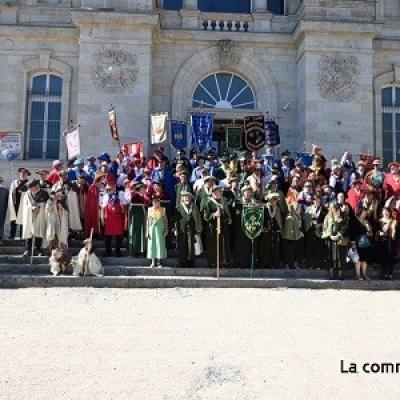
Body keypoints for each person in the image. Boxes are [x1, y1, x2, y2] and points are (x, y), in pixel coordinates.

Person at [203, 186, 232, 268]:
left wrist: (228, 218)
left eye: (219, 191)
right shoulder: (208, 203)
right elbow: (206, 216)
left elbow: (226, 212)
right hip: (213, 227)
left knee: (223, 244)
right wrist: (214, 215)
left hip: (223, 226)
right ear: (213, 193)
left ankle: (223, 261)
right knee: (213, 245)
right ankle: (213, 262)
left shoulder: (223, 202)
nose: (218, 193)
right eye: (216, 192)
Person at [21, 179, 50, 257]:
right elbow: (25, 205)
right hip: (30, 215)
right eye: (29, 188)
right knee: (29, 232)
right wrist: (31, 208)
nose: (29, 189)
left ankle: (38, 249)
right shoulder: (28, 194)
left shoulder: (44, 193)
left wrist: (40, 207)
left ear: (36, 186)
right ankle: (27, 249)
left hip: (40, 215)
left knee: (38, 232)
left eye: (31, 187)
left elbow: (48, 204)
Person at [174, 191, 202, 268]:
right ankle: (182, 262)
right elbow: (175, 220)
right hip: (181, 230)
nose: (186, 199)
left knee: (190, 246)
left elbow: (198, 219)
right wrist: (175, 229)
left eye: (188, 197)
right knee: (182, 245)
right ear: (182, 199)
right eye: (185, 197)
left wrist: (198, 229)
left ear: (190, 199)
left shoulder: (194, 207)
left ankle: (190, 262)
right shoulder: (178, 208)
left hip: (191, 230)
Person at [100, 178, 127, 257]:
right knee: (108, 236)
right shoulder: (105, 196)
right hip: (109, 218)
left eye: (111, 187)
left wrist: (122, 204)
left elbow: (125, 203)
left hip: (118, 218)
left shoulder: (121, 194)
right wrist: (102, 218)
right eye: (108, 188)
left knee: (119, 236)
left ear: (115, 186)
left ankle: (117, 251)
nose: (109, 189)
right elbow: (102, 207)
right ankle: (108, 251)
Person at [322, 203, 349, 280]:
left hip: (340, 240)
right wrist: (330, 236)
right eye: (331, 208)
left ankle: (340, 274)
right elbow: (325, 228)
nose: (333, 210)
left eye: (334, 208)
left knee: (340, 257)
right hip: (330, 240)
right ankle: (331, 274)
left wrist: (338, 235)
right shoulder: (327, 217)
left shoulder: (343, 217)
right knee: (331, 256)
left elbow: (345, 227)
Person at [349, 206, 373, 281]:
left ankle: (364, 274)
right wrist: (352, 242)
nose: (365, 213)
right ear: (360, 212)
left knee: (364, 259)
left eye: (366, 212)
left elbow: (371, 233)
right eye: (364, 212)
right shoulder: (354, 220)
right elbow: (351, 231)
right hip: (357, 241)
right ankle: (358, 274)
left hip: (365, 242)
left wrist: (369, 231)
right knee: (358, 259)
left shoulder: (366, 221)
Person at [259, 192, 282, 269]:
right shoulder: (264, 207)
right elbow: (261, 219)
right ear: (269, 200)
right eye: (273, 199)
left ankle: (274, 263)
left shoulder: (277, 208)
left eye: (275, 199)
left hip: (275, 231)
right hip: (266, 231)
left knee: (275, 247)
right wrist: (263, 228)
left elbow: (279, 220)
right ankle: (265, 263)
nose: (274, 201)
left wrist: (279, 228)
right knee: (265, 247)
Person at [304, 196, 327, 269]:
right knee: (310, 248)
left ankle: (318, 265)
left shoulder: (324, 210)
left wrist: (320, 225)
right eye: (316, 200)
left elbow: (326, 220)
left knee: (319, 249)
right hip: (310, 231)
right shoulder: (308, 209)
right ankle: (310, 265)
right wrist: (311, 223)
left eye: (318, 200)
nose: (317, 202)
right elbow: (305, 219)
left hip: (319, 231)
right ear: (313, 201)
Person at [8, 167, 30, 239]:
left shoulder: (29, 183)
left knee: (23, 221)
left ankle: (22, 236)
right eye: (22, 173)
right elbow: (11, 193)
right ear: (19, 174)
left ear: (27, 175)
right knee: (13, 220)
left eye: (25, 173)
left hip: (24, 205)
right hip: (15, 204)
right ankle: (12, 235)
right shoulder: (14, 182)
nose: (23, 174)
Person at [146, 197, 168, 268]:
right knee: (152, 245)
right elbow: (147, 221)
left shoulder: (163, 210)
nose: (156, 203)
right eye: (155, 202)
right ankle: (153, 262)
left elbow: (165, 220)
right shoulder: (149, 210)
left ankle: (158, 262)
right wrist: (147, 231)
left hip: (160, 229)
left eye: (158, 202)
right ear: (152, 202)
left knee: (159, 244)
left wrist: (166, 229)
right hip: (152, 229)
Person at [282, 202, 304, 269]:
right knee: (289, 252)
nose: (299, 210)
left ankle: (294, 264)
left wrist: (300, 233)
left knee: (295, 252)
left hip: (296, 238)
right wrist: (298, 233)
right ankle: (288, 265)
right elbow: (289, 230)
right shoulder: (289, 217)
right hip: (290, 238)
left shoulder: (298, 216)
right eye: (297, 208)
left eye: (299, 208)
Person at [376, 207, 396, 280]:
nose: (385, 213)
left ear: (389, 212)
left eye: (387, 211)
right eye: (384, 211)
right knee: (383, 257)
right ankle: (384, 273)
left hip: (391, 241)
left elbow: (396, 231)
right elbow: (376, 231)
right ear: (382, 213)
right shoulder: (379, 221)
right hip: (382, 241)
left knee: (390, 256)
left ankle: (390, 273)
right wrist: (379, 233)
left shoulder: (393, 221)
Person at [128, 183, 148, 256]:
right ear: (139, 189)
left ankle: (142, 251)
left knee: (143, 234)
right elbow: (132, 208)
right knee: (136, 234)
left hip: (143, 218)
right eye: (142, 189)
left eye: (144, 189)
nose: (144, 190)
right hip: (136, 218)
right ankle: (135, 251)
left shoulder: (144, 197)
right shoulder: (135, 197)